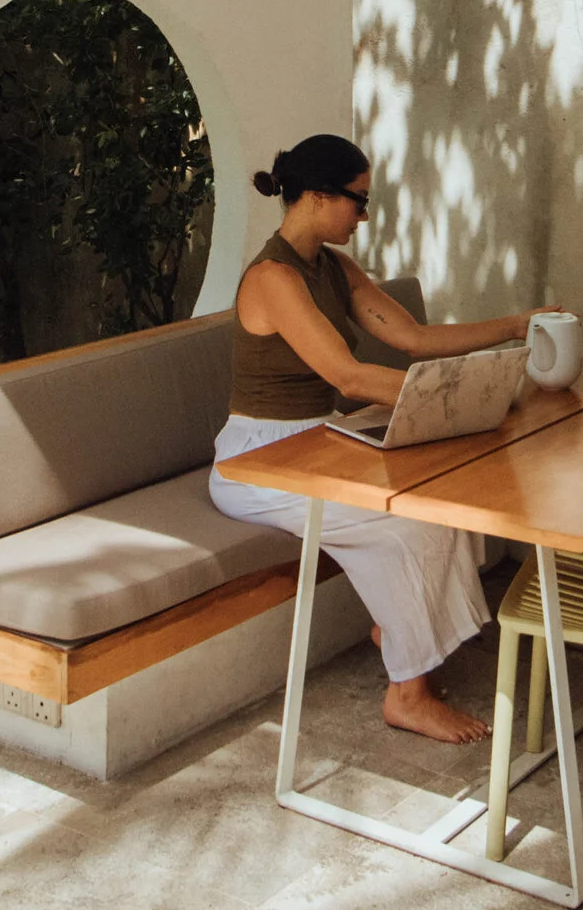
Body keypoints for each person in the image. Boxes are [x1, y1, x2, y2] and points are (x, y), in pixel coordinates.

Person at [207, 133, 552, 744]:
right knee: (406, 522)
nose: (365, 216)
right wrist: (455, 396)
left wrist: (516, 326)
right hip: (258, 459)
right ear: (317, 196)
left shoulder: (332, 268)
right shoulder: (272, 279)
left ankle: (402, 635)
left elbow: (414, 339)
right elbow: (349, 376)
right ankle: (407, 695)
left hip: (317, 440)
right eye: (358, 202)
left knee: (445, 501)